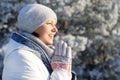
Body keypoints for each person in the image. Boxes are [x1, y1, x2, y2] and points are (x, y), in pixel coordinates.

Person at [2, 4, 76, 80]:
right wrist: (61, 72)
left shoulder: (34, 56)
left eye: (55, 24)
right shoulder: (20, 57)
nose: (55, 30)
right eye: (49, 23)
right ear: (32, 25)